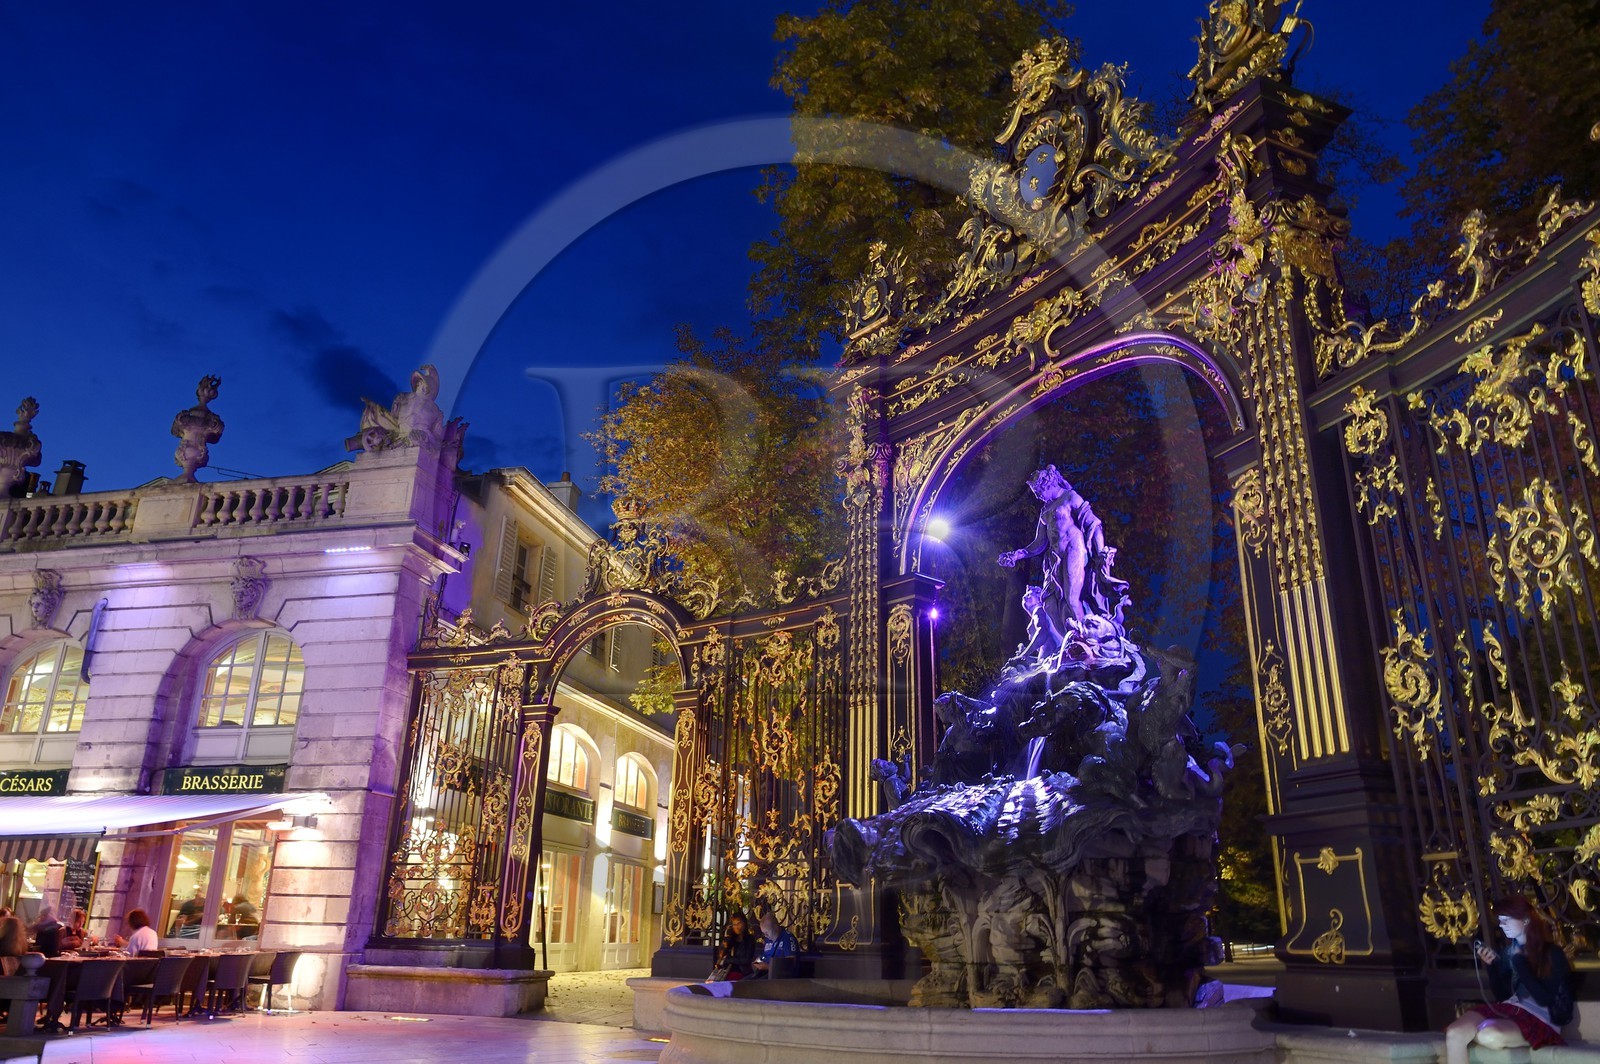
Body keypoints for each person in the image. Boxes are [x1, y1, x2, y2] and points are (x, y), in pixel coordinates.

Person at [1445, 895, 1573, 1064]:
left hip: (1540, 1017)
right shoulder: (1508, 953)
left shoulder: (1551, 953)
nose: (1502, 925)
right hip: (1510, 1009)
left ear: (1526, 920)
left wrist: (1520, 963)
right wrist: (1492, 967)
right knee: (1455, 1033)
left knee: (1489, 1035)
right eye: (1500, 921)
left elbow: (1544, 998)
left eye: (1506, 920)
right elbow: (1502, 996)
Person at [710, 911, 759, 981]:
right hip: (726, 971)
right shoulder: (730, 939)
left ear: (744, 923)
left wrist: (728, 960)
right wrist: (727, 937)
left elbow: (746, 960)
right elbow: (721, 955)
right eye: (734, 924)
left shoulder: (749, 939)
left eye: (739, 923)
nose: (737, 927)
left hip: (742, 972)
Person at [749, 911, 797, 979]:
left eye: (767, 932)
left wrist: (767, 967)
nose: (765, 935)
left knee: (755, 985)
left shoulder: (788, 938)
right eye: (763, 933)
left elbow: (790, 964)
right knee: (742, 982)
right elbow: (764, 956)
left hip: (780, 977)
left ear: (776, 927)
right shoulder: (768, 939)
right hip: (765, 973)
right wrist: (758, 961)